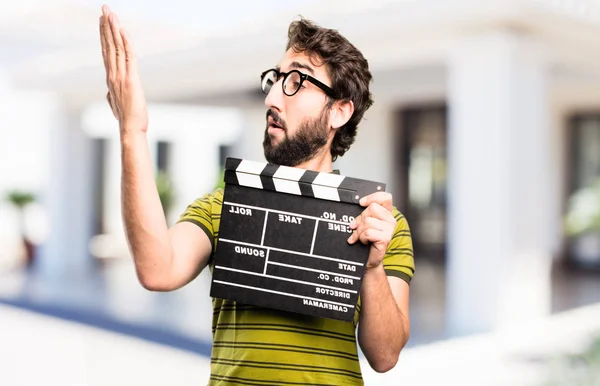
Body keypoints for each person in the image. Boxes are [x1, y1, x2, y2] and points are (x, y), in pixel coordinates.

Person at [99, 4, 415, 385]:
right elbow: (157, 268)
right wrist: (132, 132)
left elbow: (385, 356)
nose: (272, 99)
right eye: (275, 79)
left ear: (339, 111)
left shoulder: (379, 222)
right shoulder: (224, 204)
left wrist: (372, 267)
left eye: (297, 81)